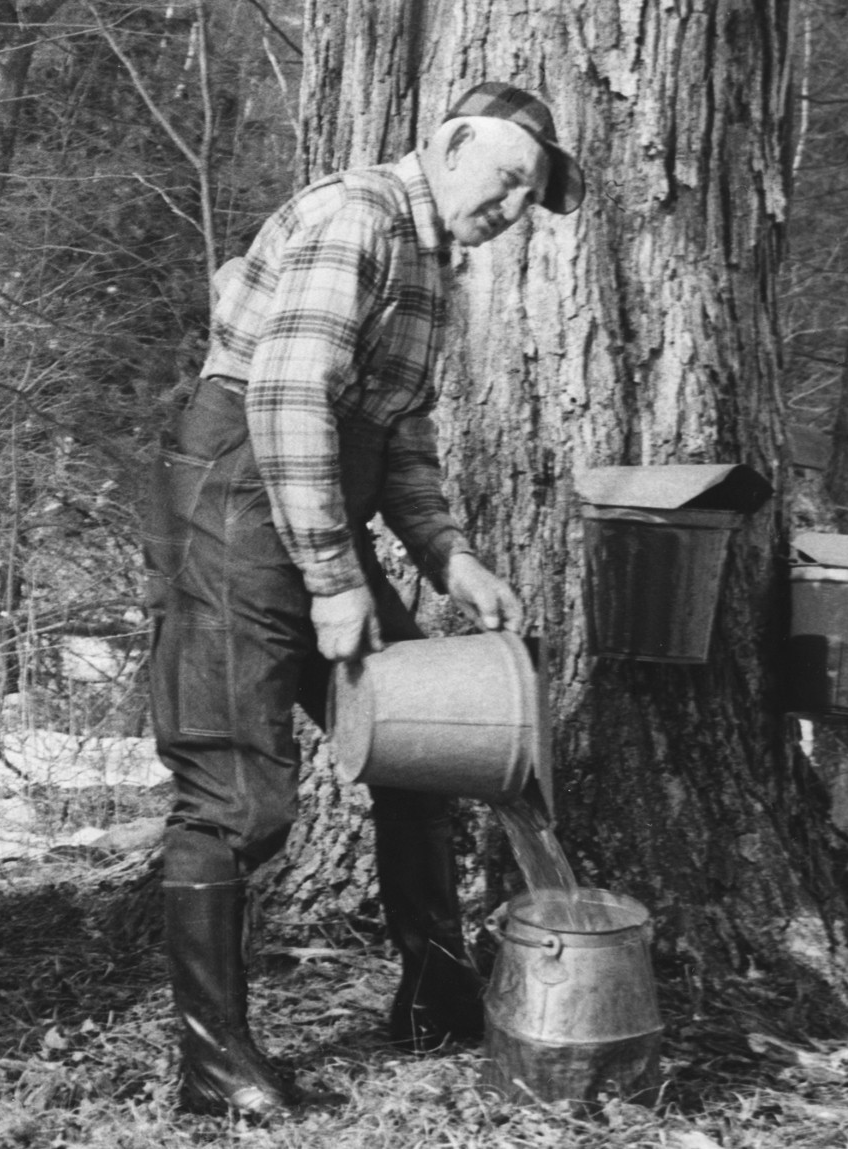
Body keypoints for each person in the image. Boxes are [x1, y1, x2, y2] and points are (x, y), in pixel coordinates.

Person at [146, 81, 577, 1119]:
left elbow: (402, 435)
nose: (513, 206)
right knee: (238, 796)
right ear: (449, 144)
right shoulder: (358, 220)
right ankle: (213, 1064)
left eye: (531, 194)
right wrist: (334, 582)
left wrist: (448, 557)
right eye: (507, 177)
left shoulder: (436, 261)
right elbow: (287, 398)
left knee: (420, 746)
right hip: (239, 501)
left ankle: (435, 991)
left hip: (311, 504)